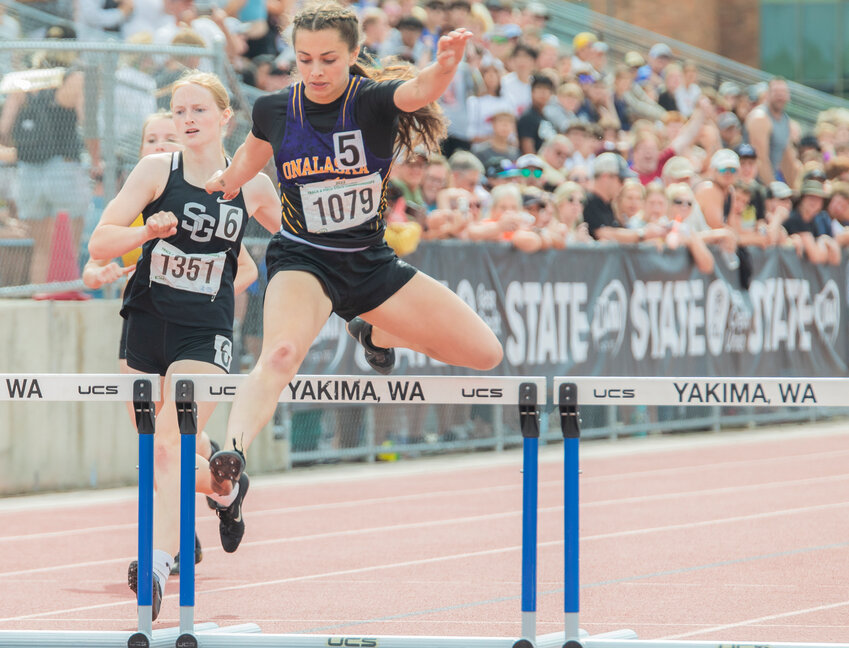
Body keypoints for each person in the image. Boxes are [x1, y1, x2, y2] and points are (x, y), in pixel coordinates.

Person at [200, 3, 503, 545]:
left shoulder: (371, 102)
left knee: (484, 354)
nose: (315, 71)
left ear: (353, 55)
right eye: (305, 60)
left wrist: (447, 66)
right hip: (303, 259)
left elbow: (419, 92)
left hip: (369, 263)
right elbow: (243, 166)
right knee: (280, 355)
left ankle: (371, 329)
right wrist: (214, 180)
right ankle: (234, 455)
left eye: (328, 60)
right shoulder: (274, 108)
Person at [87, 71, 281, 620]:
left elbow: (299, 236)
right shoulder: (156, 171)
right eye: (178, 111)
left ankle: (156, 561)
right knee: (158, 451)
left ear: (225, 117)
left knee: (170, 444)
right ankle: (223, 490)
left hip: (206, 330)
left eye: (198, 109)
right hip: (146, 322)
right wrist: (146, 234)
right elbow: (101, 242)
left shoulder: (252, 185)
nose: (187, 120)